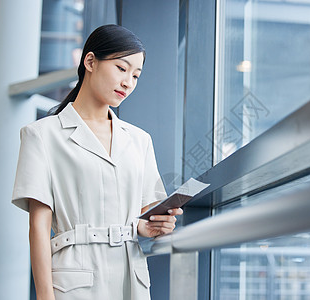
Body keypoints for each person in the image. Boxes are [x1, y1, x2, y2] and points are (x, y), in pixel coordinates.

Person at [12, 24, 182, 300]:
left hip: (131, 279)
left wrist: (155, 225)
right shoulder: (41, 135)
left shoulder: (140, 140)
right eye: (121, 68)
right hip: (74, 281)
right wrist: (44, 296)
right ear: (90, 61)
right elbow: (39, 227)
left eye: (136, 75)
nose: (128, 82)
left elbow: (144, 214)